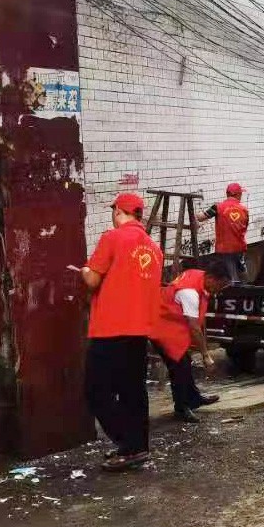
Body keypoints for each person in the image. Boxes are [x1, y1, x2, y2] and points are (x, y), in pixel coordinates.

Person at [79, 193, 163, 472]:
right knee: (133, 391)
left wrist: (84, 270)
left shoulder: (112, 238)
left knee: (95, 390)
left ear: (118, 211)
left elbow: (92, 279)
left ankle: (128, 443)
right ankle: (138, 446)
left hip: (110, 328)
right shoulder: (154, 248)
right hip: (139, 330)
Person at [151, 260, 230, 423]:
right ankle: (181, 408)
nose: (218, 291)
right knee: (179, 367)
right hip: (162, 328)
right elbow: (194, 327)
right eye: (219, 285)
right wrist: (205, 355)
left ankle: (194, 398)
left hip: (171, 325)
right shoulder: (190, 292)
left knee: (185, 362)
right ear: (211, 278)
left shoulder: (198, 275)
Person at [198, 183, 249, 282]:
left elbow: (201, 218)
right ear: (237, 194)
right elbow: (245, 226)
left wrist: (194, 214)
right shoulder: (244, 210)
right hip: (239, 247)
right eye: (240, 193)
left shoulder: (217, 207)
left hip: (224, 248)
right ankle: (246, 291)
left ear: (227, 194)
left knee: (228, 275)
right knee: (241, 271)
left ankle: (233, 292)